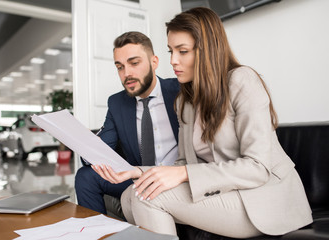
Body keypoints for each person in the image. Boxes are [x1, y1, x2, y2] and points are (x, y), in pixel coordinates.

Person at [92, 7, 313, 238]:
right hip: (222, 192)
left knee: (148, 198)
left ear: (208, 50)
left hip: (262, 197)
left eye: (183, 51)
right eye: (171, 51)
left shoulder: (242, 80)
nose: (173, 61)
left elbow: (257, 168)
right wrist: (136, 172)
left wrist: (185, 173)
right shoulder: (185, 102)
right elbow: (183, 163)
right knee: (131, 194)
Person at [75, 31, 180, 215]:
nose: (127, 73)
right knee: (85, 177)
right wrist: (82, 142)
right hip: (137, 178)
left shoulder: (180, 91)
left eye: (134, 63)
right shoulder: (117, 103)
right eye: (120, 67)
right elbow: (100, 150)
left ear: (154, 62)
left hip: (174, 178)